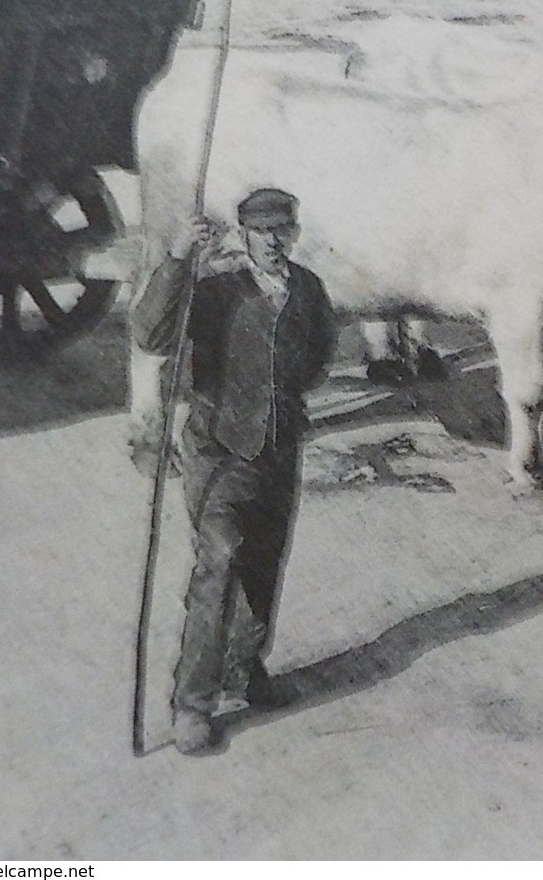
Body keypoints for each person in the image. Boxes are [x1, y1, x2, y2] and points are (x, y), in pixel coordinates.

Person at [132, 188, 336, 755]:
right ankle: (191, 705)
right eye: (262, 231)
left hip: (279, 448)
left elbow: (319, 356)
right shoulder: (217, 289)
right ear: (244, 236)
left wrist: (279, 403)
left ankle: (244, 673)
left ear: (294, 232)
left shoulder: (309, 291)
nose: (274, 240)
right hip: (219, 452)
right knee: (217, 565)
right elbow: (150, 334)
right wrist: (177, 260)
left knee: (266, 561)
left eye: (283, 230)